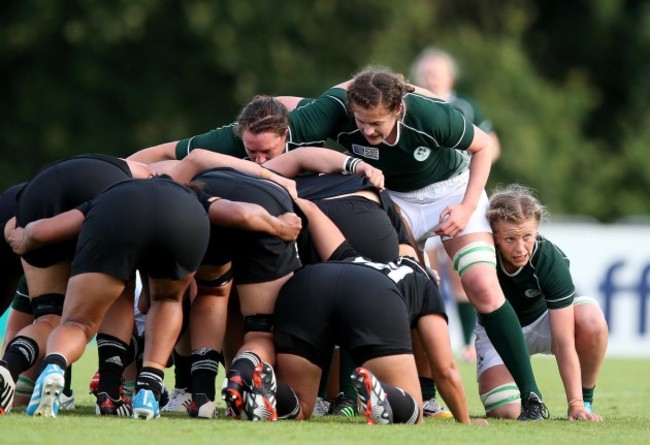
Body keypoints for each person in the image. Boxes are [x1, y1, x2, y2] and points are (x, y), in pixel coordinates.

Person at [271, 65, 546, 420]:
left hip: (452, 190)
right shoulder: (338, 110)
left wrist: (465, 208)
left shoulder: (430, 115)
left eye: (377, 124)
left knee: (480, 284)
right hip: (393, 198)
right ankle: (374, 397)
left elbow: (484, 146)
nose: (367, 131)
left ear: (398, 110)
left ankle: (532, 398)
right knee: (375, 284)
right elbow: (282, 116)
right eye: (361, 121)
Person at [247, 197, 480, 425]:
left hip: (306, 283)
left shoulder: (355, 256)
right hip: (372, 294)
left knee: (301, 405)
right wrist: (466, 421)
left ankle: (266, 390)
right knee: (414, 412)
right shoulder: (424, 284)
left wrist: (291, 194)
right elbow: (446, 369)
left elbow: (315, 214)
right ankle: (385, 395)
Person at [0, 155, 153, 415]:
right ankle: (109, 390)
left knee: (48, 318)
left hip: (36, 194)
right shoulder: (149, 184)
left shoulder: (123, 166)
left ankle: (8, 367)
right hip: (101, 202)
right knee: (118, 295)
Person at [481, 183, 607, 422]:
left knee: (592, 319)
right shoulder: (482, 255)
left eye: (527, 236)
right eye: (510, 239)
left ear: (536, 229)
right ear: (494, 236)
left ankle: (586, 400)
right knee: (504, 411)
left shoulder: (549, 259)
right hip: (496, 332)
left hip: (542, 323)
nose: (520, 248)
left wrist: (576, 404)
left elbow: (562, 340)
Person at [411, 47, 501, 363]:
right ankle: (432, 341)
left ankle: (466, 342)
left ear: (450, 77)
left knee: (460, 273)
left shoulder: (464, 106)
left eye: (436, 73)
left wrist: (461, 159)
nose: (430, 79)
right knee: (425, 273)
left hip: (454, 194)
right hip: (416, 198)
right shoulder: (410, 105)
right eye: (425, 74)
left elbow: (492, 145)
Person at [127, 95, 346, 164]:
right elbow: (163, 151)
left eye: (267, 152)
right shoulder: (229, 140)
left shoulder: (313, 123)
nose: (259, 160)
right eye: (252, 151)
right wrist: (118, 173)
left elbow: (358, 90)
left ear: (285, 134)